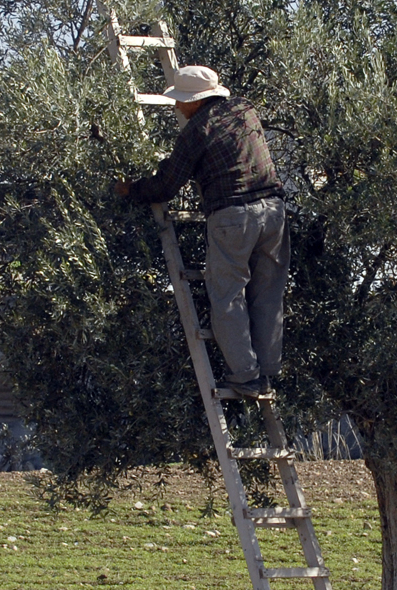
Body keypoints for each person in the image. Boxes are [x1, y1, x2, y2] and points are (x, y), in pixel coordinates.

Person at [115, 65, 287, 400]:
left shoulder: (197, 131)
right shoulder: (244, 108)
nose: (178, 107)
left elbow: (165, 186)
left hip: (232, 215)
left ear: (196, 102)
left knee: (227, 296)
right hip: (273, 211)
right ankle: (266, 374)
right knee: (268, 295)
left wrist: (130, 190)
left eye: (181, 102)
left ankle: (245, 376)